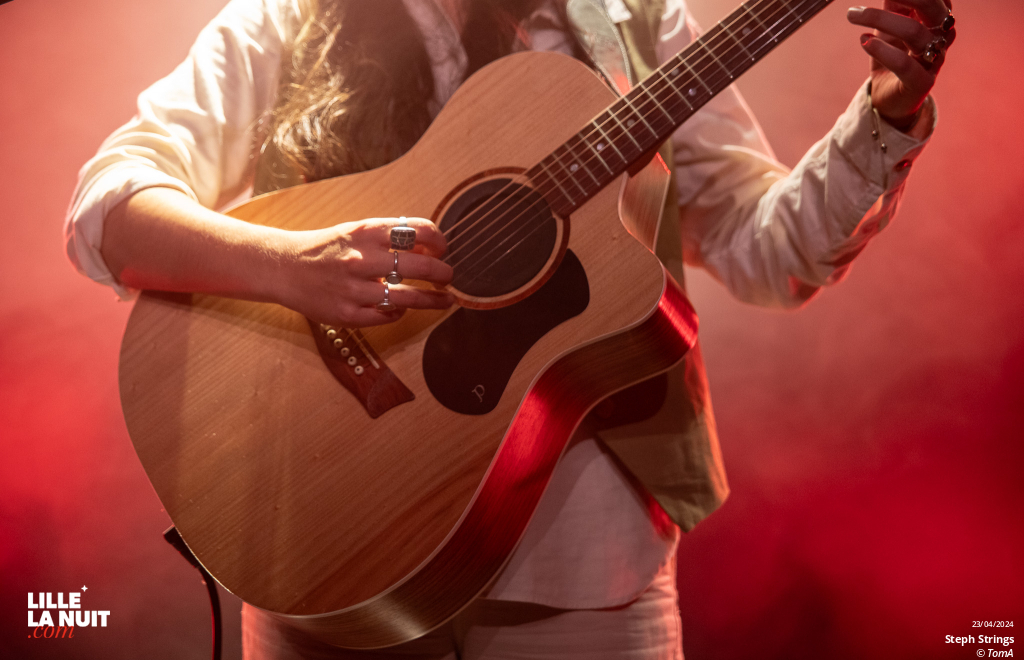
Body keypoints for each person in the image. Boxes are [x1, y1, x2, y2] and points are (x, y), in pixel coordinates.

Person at [64, 0, 954, 658]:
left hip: (586, 576)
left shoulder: (634, 25)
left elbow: (769, 252)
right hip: (325, 540)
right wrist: (292, 264)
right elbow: (107, 210)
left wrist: (888, 114)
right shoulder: (285, 21)